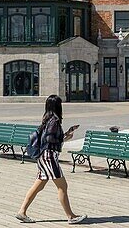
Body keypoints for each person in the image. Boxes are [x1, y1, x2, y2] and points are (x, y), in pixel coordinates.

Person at [16, 95, 85, 224]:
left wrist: (65, 135)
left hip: (43, 156)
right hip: (49, 157)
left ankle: (22, 212)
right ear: (57, 106)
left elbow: (48, 138)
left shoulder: (47, 119)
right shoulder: (54, 120)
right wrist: (62, 138)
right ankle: (70, 216)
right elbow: (49, 140)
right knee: (62, 186)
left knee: (39, 186)